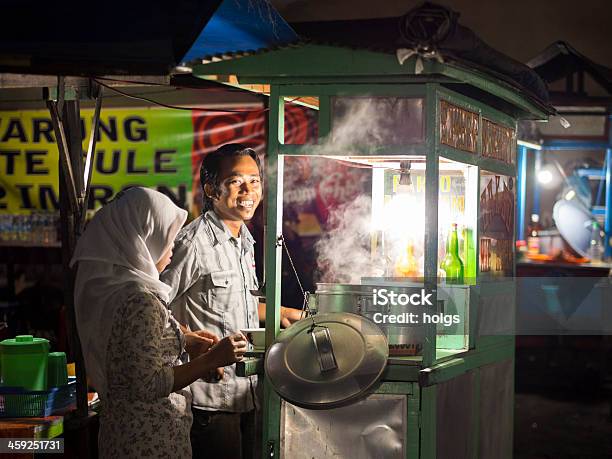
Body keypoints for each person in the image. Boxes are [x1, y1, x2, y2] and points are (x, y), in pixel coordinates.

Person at [71, 187, 247, 458]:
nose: (174, 245)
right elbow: (149, 384)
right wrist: (211, 361)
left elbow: (132, 348)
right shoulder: (140, 301)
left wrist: (185, 339)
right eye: (169, 236)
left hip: (125, 436)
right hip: (150, 442)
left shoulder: (120, 290)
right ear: (144, 237)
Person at [161, 144, 301, 459]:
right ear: (211, 189)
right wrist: (191, 342)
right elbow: (154, 307)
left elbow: (231, 303)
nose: (248, 190)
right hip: (209, 400)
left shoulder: (244, 240)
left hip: (248, 392)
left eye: (254, 181)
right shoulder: (193, 243)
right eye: (236, 181)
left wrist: (280, 312)